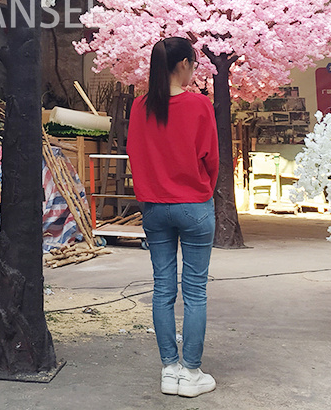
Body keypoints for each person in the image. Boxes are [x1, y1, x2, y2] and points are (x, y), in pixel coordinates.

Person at [126, 36, 219, 398]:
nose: (194, 71)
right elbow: (210, 156)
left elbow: (135, 153)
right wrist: (202, 191)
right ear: (183, 64)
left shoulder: (139, 107)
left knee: (163, 289)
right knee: (195, 292)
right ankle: (191, 372)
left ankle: (170, 369)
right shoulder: (199, 105)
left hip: (154, 207)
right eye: (193, 64)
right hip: (193, 205)